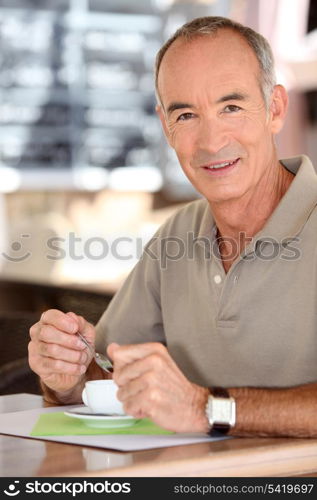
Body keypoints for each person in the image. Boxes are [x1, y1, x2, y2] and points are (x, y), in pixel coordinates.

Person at [28, 16, 317, 437]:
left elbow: (194, 408)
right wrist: (69, 377)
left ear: (274, 109)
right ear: (165, 127)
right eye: (186, 116)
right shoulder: (175, 237)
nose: (211, 141)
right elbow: (111, 381)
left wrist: (208, 408)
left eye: (231, 107)